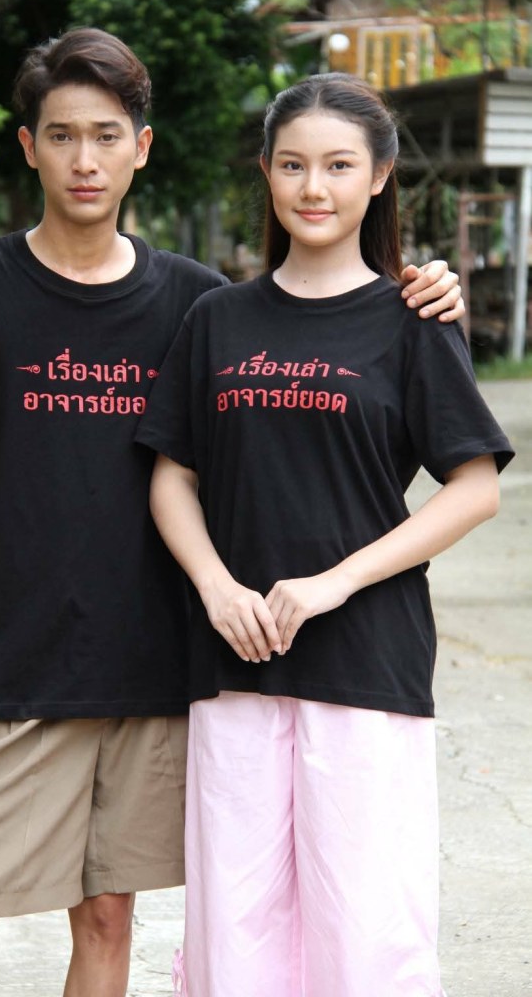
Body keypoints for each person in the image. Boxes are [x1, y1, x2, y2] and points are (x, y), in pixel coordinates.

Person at [0, 25, 464, 997]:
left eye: (106, 136)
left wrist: (423, 285)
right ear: (27, 147)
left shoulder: (194, 301)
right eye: (62, 136)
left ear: (141, 147)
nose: (84, 159)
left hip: (153, 668)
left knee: (110, 918)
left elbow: (308, 341)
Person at [135, 72, 514, 997]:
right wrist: (217, 587)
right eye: (293, 165)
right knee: (234, 927)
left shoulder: (412, 319)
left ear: (378, 176)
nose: (314, 187)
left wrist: (333, 582)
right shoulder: (217, 318)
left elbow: (473, 489)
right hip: (234, 660)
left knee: (364, 929)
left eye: (339, 165)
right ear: (266, 172)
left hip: (364, 660)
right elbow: (172, 474)